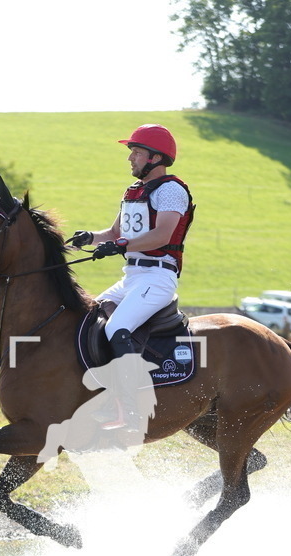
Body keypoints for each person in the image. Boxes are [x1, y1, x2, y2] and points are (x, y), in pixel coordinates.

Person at [69, 124, 194, 430]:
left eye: (136, 152)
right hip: (132, 278)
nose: (131, 159)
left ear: (155, 157)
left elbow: (162, 235)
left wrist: (120, 245)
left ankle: (129, 410)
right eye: (132, 153)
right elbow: (113, 234)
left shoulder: (171, 190)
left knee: (117, 329)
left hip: (158, 279)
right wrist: (90, 237)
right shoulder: (133, 192)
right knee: (86, 320)